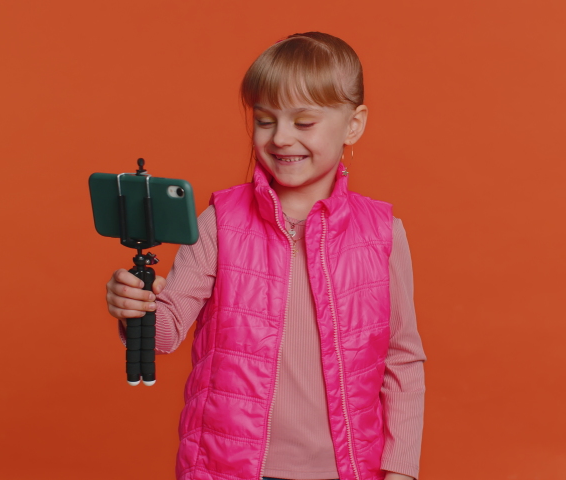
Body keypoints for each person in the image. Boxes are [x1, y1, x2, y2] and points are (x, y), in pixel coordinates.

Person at [105, 32, 426, 480]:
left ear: (353, 124)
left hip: (347, 471)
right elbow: (165, 331)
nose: (282, 138)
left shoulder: (382, 233)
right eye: (265, 120)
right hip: (227, 468)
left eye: (304, 122)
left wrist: (401, 468)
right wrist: (134, 307)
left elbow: (402, 358)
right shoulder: (220, 223)